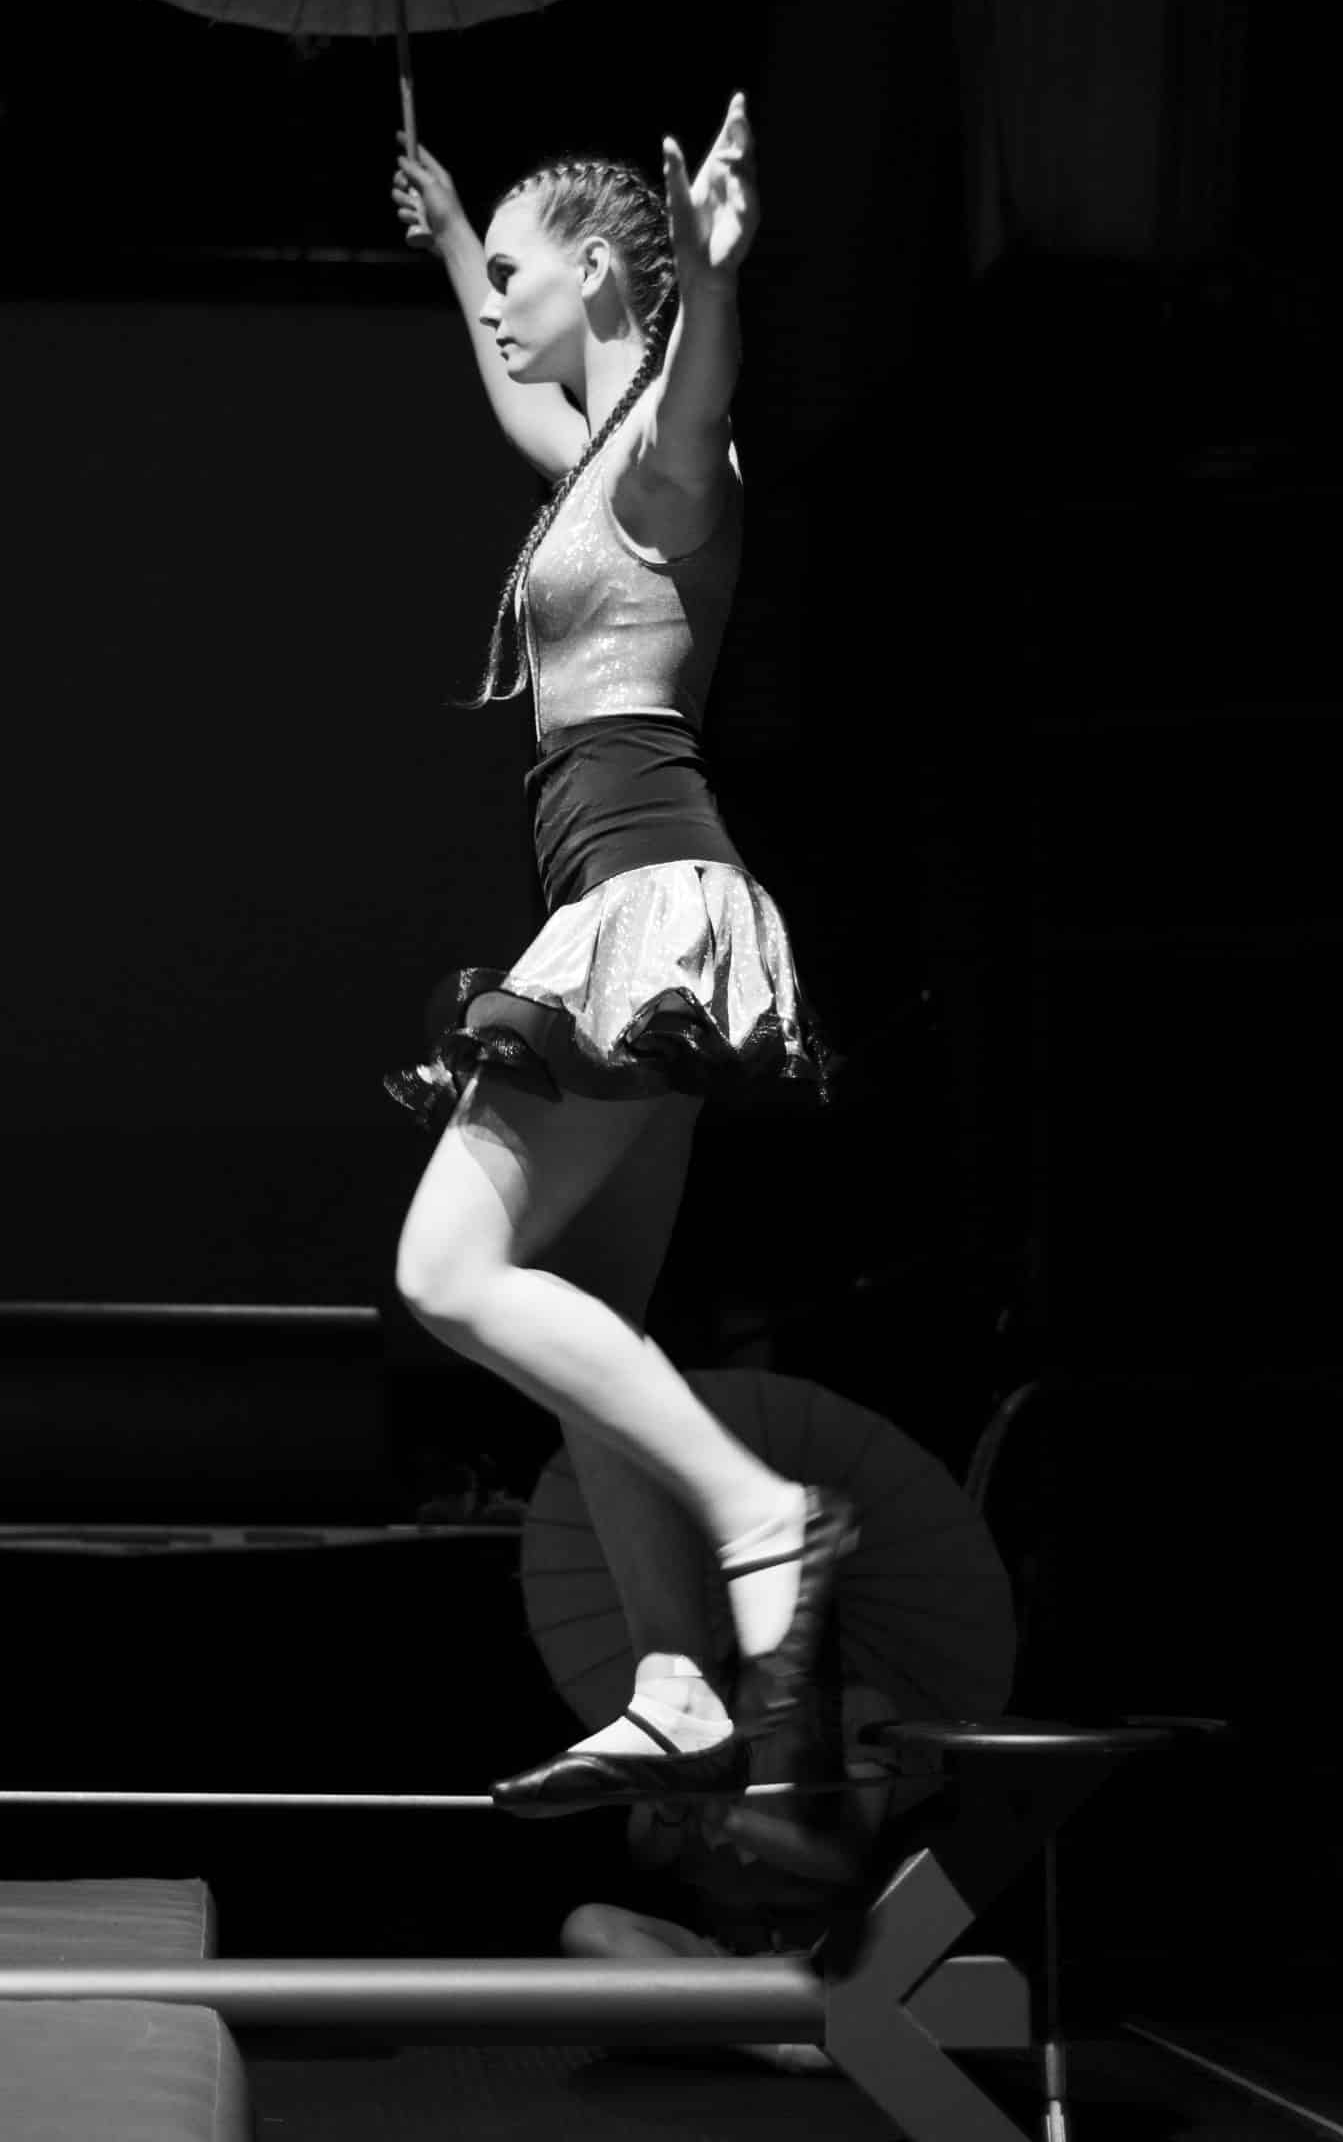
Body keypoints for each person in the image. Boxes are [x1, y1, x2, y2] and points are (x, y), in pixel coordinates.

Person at [384, 98, 861, 1888]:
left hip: (648, 896)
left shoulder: (665, 450)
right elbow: (526, 399)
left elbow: (700, 398)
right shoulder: (587, 444)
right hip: (615, 902)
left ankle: (764, 1521)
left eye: (516, 275)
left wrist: (721, 279)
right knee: (584, 1351)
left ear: (600, 269)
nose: (499, 308)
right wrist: (446, 228)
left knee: (448, 1272)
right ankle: (677, 1680)